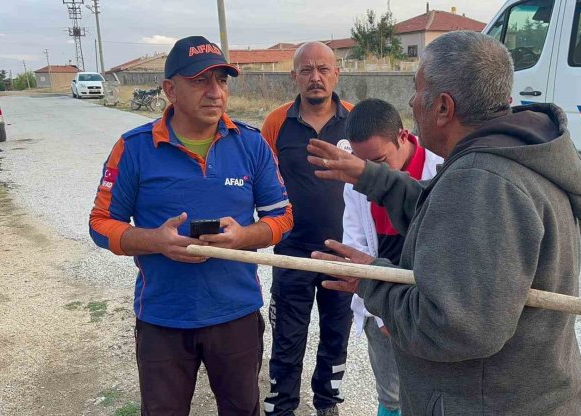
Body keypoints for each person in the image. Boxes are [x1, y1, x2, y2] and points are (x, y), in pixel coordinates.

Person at [307, 31, 581, 415]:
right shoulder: (513, 156)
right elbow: (445, 219)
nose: (412, 102)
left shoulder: (484, 180)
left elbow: (452, 326)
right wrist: (371, 175)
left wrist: (371, 280)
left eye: (417, 90)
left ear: (444, 107)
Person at [89, 35, 293, 416]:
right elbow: (100, 225)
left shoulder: (250, 144)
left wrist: (244, 237)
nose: (215, 92)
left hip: (236, 316)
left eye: (222, 80)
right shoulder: (134, 147)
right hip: (162, 318)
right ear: (170, 89)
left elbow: (282, 217)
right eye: (200, 81)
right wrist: (156, 241)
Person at [259, 42, 353, 416]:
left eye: (324, 69)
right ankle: (281, 407)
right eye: (307, 70)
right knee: (287, 339)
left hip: (344, 254)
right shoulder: (276, 123)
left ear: (336, 74)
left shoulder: (355, 119)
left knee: (336, 336)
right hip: (293, 253)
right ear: (294, 75)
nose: (316, 77)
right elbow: (260, 180)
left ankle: (327, 403)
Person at [341, 98, 443, 416]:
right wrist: (384, 312)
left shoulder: (440, 168)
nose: (370, 172)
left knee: (434, 392)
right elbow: (357, 243)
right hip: (378, 300)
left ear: (402, 135)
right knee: (390, 395)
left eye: (379, 161)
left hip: (426, 302)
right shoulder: (356, 178)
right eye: (361, 163)